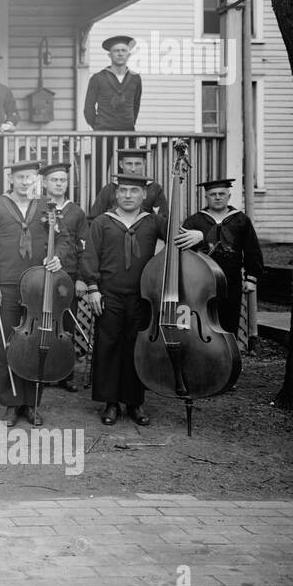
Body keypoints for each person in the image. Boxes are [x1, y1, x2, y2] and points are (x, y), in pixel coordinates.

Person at [81, 174, 198, 426]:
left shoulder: (153, 221)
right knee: (108, 346)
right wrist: (92, 288)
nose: (127, 195)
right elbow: (90, 256)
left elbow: (178, 238)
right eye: (123, 190)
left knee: (136, 348)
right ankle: (111, 403)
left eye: (134, 191)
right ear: (116, 194)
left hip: (142, 295)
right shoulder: (102, 222)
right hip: (108, 294)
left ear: (144, 195)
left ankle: (134, 402)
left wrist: (198, 235)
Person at [0, 160, 68, 426]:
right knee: (6, 344)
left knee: (36, 343)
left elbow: (64, 239)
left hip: (37, 286)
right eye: (20, 177)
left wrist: (58, 257)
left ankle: (31, 403)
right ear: (12, 180)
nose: (25, 182)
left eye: (30, 177)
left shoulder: (46, 206)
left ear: (36, 180)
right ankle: (11, 403)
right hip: (6, 285)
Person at [182, 177, 263, 336]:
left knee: (229, 321)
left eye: (221, 194)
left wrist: (251, 278)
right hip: (201, 281)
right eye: (213, 194)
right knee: (203, 320)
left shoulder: (241, 220)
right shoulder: (194, 221)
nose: (217, 197)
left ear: (229, 196)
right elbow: (184, 251)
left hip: (231, 280)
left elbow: (251, 249)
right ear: (206, 197)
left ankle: (228, 350)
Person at [39, 162, 89, 392]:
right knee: (43, 322)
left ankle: (66, 374)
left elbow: (83, 247)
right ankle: (42, 370)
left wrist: (81, 278)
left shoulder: (76, 212)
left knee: (66, 324)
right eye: (54, 180)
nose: (59, 184)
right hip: (41, 274)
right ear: (45, 183)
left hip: (67, 275)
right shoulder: (37, 206)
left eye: (63, 180)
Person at [83, 34, 143, 133]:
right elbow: (88, 108)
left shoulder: (135, 78)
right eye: (116, 51)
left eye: (124, 50)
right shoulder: (97, 78)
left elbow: (136, 106)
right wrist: (98, 126)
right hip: (103, 133)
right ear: (109, 55)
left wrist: (129, 123)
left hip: (127, 133)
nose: (120, 54)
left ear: (129, 55)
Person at [88, 148, 167, 218]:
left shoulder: (154, 189)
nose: (133, 169)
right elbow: (94, 218)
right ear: (121, 164)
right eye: (129, 164)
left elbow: (163, 219)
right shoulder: (109, 189)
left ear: (144, 163)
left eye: (137, 164)